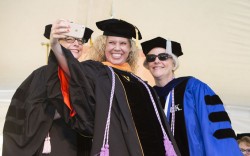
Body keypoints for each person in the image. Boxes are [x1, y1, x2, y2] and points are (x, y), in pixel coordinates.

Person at [47, 18, 181, 156]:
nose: (117, 48)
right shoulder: (94, 71)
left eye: (123, 43)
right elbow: (71, 70)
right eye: (111, 43)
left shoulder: (141, 84)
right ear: (103, 46)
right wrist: (55, 44)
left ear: (130, 49)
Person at [141, 36, 242, 156]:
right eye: (151, 58)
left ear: (173, 63)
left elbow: (214, 130)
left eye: (163, 57)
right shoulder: (147, 97)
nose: (156, 61)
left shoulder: (193, 88)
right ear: (148, 64)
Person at [2, 23, 93, 156]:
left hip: (79, 145)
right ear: (57, 43)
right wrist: (62, 110)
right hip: (50, 143)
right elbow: (23, 116)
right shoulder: (40, 75)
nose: (76, 44)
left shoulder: (88, 76)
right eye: (69, 39)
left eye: (80, 40)